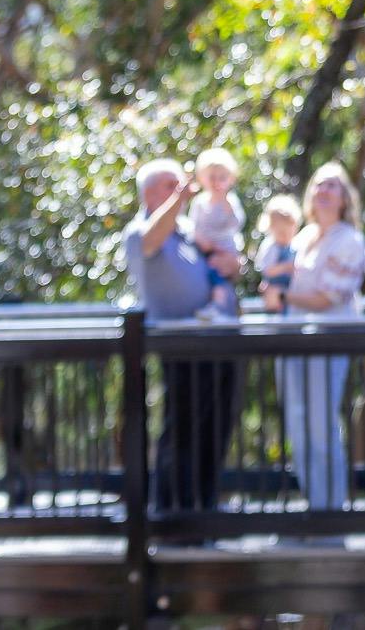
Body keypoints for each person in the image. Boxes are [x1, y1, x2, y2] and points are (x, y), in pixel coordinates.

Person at [121, 157, 242, 513]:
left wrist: (236, 264)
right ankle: (173, 512)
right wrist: (180, 199)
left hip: (219, 342)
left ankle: (203, 510)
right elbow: (150, 239)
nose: (179, 191)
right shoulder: (141, 232)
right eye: (168, 185)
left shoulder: (189, 231)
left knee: (214, 429)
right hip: (180, 346)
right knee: (183, 431)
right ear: (148, 194)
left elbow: (224, 260)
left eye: (180, 185)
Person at [259, 163, 365, 513]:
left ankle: (331, 510)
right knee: (297, 425)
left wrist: (283, 296)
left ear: (344, 197)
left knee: (321, 424)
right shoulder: (301, 238)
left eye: (332, 185)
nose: (324, 190)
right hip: (292, 342)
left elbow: (327, 298)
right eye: (319, 184)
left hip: (327, 344)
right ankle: (311, 504)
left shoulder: (349, 239)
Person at [187, 147, 247, 322]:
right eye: (211, 177)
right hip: (204, 249)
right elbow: (193, 227)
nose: (216, 182)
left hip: (225, 249)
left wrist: (227, 205)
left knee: (218, 276)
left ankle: (219, 305)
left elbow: (237, 223)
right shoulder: (199, 202)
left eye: (221, 177)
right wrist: (203, 242)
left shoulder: (231, 201)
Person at [254, 194, 303, 298]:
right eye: (281, 233)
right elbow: (267, 270)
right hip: (273, 288)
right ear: (271, 228)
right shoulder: (271, 247)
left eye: (288, 233)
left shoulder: (295, 246)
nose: (285, 237)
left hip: (290, 290)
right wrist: (285, 267)